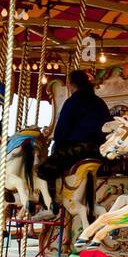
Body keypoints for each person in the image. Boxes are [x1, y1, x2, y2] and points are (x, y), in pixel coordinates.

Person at [36, 69, 111, 207]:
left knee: (43, 169)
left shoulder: (72, 102)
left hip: (79, 150)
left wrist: (55, 147)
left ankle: (49, 204)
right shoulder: (99, 102)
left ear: (71, 85)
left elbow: (61, 131)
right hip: (99, 151)